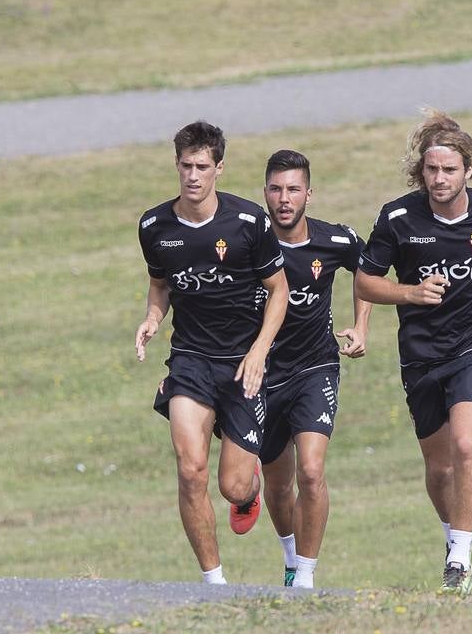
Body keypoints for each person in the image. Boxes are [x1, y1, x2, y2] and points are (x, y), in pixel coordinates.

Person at [356, 110, 472, 595]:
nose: (439, 179)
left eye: (450, 170)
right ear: (420, 170)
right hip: (420, 354)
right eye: (432, 169)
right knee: (438, 467)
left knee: (467, 446)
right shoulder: (397, 217)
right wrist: (409, 294)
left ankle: (459, 556)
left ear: (469, 170)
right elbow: (366, 281)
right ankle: (457, 535)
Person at [135, 121, 288, 585]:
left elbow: (279, 291)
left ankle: (247, 491)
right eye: (186, 165)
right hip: (191, 361)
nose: (193, 175)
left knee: (231, 485)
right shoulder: (155, 226)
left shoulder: (248, 223)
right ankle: (213, 583)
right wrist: (152, 319)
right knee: (190, 468)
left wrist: (261, 351)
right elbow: (160, 286)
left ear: (219, 168)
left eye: (203, 166)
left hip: (243, 363)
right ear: (176, 166)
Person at [258, 150, 372, 590]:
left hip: (315, 367)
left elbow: (368, 270)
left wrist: (361, 325)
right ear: (265, 192)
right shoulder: (250, 240)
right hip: (261, 375)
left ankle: (304, 575)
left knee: (310, 471)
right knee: (277, 482)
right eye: (275, 189)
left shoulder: (334, 240)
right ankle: (289, 553)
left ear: (309, 193)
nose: (284, 199)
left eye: (293, 189)